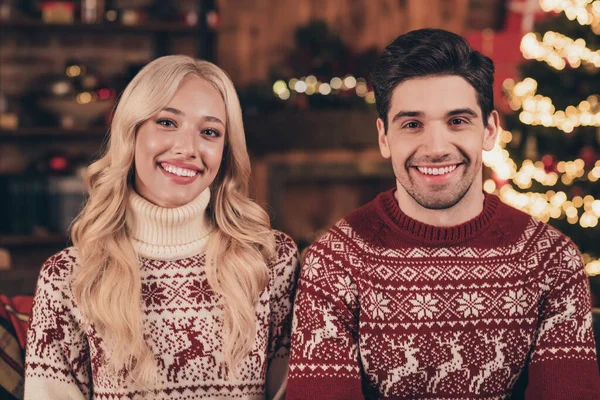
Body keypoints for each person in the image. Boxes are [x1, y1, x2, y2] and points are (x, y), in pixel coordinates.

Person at [287, 29, 600, 399]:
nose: (436, 148)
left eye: (457, 121)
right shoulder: (335, 261)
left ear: (489, 130)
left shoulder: (551, 260)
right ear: (384, 137)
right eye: (412, 124)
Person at [25, 55, 299, 399]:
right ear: (131, 132)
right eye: (168, 122)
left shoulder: (271, 261)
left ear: (226, 152)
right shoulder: (68, 276)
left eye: (210, 132)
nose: (187, 148)